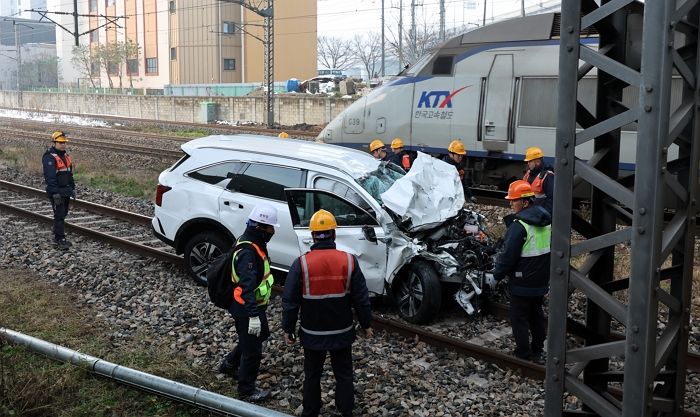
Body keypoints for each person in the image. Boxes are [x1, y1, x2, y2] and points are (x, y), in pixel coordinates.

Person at [282, 209, 373, 417]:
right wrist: (366, 324)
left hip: (312, 333)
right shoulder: (348, 261)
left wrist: (288, 328)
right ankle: (346, 411)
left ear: (313, 235)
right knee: (344, 374)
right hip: (342, 332)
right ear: (334, 233)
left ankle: (311, 412)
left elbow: (290, 301)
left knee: (312, 375)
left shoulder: (302, 264)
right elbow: (361, 298)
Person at [485, 180, 551, 365]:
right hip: (540, 280)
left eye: (513, 201)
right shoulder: (545, 221)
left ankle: (523, 354)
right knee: (536, 315)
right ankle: (537, 350)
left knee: (519, 318)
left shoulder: (519, 226)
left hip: (522, 282)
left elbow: (507, 257)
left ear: (525, 202)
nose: (511, 204)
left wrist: (496, 276)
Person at [218, 203, 279, 402]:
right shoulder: (248, 253)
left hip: (251, 307)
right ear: (260, 227)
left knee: (260, 335)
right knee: (253, 351)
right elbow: (247, 287)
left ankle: (229, 364)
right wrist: (253, 315)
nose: (272, 231)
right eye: (270, 228)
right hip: (245, 308)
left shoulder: (253, 243)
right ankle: (246, 390)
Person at [42, 131, 76, 250]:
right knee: (59, 215)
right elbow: (50, 177)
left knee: (63, 214)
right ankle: (60, 239)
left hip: (65, 190)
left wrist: (73, 188)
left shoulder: (65, 156)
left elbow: (69, 174)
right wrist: (54, 192)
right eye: (60, 142)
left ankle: (57, 235)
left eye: (64, 142)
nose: (63, 145)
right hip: (57, 191)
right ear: (54, 142)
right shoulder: (49, 157)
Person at [522, 146, 554, 214]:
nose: (528, 163)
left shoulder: (548, 176)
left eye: (530, 161)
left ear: (537, 161)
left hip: (540, 214)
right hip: (530, 212)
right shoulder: (528, 174)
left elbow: (551, 200)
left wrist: (545, 216)